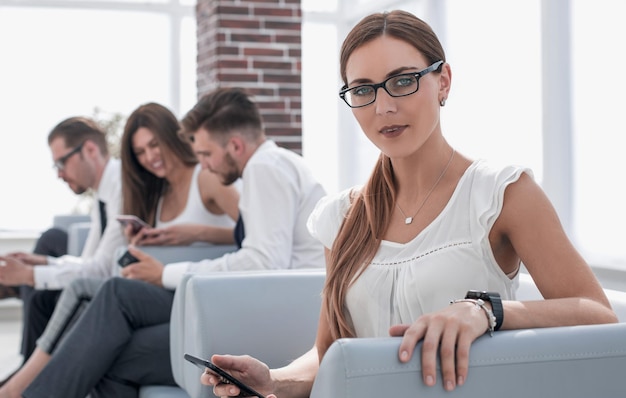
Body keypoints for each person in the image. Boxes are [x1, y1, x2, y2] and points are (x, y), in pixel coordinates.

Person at [202, 10, 618, 398]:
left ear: (444, 82)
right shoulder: (341, 218)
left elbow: (598, 315)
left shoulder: (502, 192)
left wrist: (486, 310)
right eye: (363, 90)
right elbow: (329, 355)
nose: (384, 107)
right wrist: (273, 379)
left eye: (403, 81)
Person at [12, 87, 326, 398]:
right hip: (257, 306)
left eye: (205, 154)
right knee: (109, 320)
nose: (204, 164)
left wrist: (166, 273)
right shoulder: (274, 165)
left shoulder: (264, 168)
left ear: (235, 145)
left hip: (264, 316)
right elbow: (260, 254)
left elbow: (262, 263)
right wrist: (187, 237)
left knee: (108, 336)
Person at [0, 102, 241, 398]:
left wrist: (197, 233)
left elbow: (250, 236)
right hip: (167, 292)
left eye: (155, 145)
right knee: (104, 343)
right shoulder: (158, 194)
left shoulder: (205, 177)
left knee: (110, 293)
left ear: (172, 136)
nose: (150, 156)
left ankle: (20, 390)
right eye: (140, 152)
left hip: (197, 294)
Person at [0, 117, 126, 365]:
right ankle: (29, 373)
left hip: (115, 289)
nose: (59, 174)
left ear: (89, 150)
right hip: (99, 279)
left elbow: (100, 270)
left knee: (38, 288)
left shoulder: (121, 186)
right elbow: (90, 261)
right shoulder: (103, 194)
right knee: (43, 261)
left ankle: (28, 374)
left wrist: (31, 275)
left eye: (61, 162)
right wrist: (42, 263)